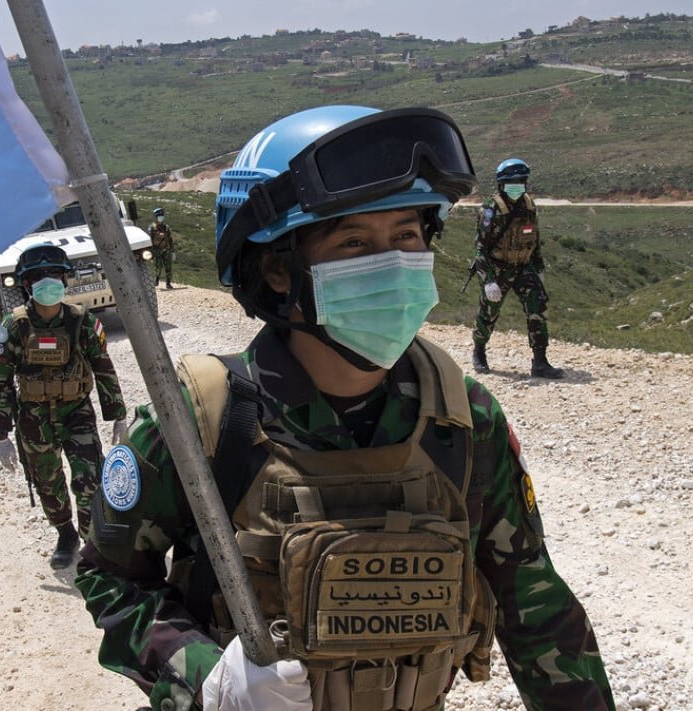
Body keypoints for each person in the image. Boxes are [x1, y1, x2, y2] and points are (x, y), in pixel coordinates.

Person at [77, 106, 615, 711]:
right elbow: (111, 576)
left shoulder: (464, 418)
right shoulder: (202, 418)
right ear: (277, 268)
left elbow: (535, 606)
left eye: (406, 236)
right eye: (354, 242)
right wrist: (206, 677)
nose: (393, 262)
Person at [0, 243, 127, 569]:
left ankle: (91, 540)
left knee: (90, 479)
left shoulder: (82, 322)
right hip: (34, 419)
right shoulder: (14, 327)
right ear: (26, 284)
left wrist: (118, 416)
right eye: (39, 276)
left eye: (54, 274)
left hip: (76, 412)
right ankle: (66, 535)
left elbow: (103, 368)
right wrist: (1, 434)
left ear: (65, 279)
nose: (48, 281)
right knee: (48, 483)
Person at [470, 158, 563, 378]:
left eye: (520, 181)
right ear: (501, 184)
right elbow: (480, 248)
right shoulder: (490, 209)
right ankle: (479, 351)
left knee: (538, 307)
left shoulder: (529, 206)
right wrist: (488, 281)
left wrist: (539, 270)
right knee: (489, 311)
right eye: (511, 182)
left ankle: (540, 362)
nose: (516, 185)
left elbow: (534, 242)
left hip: (523, 267)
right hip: (497, 268)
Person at [148, 206, 176, 289]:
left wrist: (172, 250)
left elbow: (170, 239)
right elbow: (149, 240)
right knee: (158, 267)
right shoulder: (152, 227)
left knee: (168, 267)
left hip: (166, 249)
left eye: (162, 216)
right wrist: (150, 252)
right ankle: (156, 281)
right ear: (156, 217)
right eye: (159, 216)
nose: (161, 217)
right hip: (156, 250)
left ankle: (168, 283)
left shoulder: (166, 227)